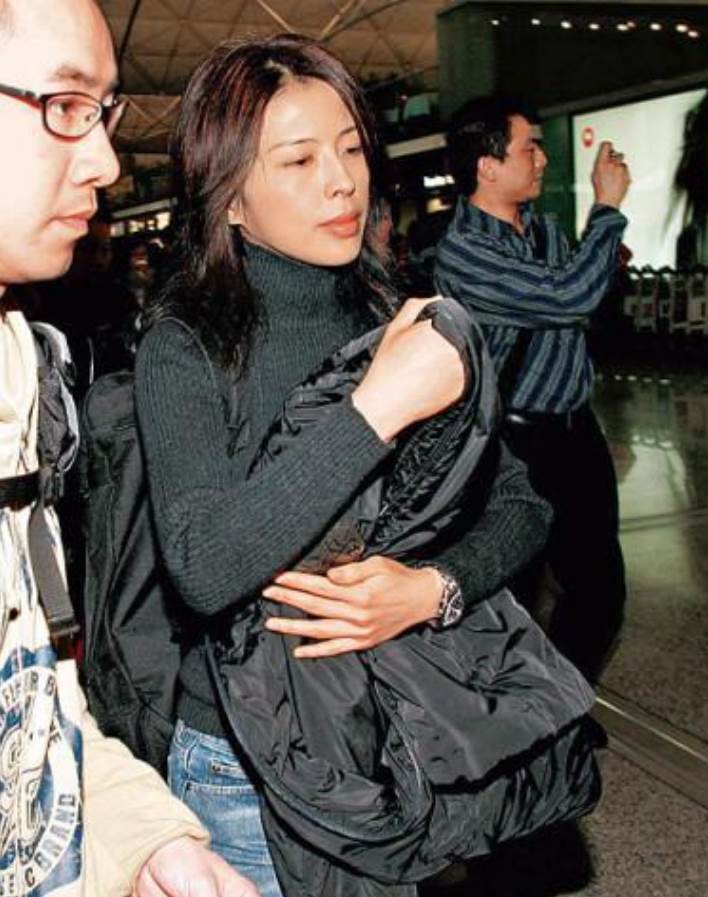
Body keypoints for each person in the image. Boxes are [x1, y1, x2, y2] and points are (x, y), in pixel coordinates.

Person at [134, 37, 552, 895]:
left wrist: (431, 588)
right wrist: (375, 409)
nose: (341, 182)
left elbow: (520, 502)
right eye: (298, 160)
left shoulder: (394, 314)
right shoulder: (187, 344)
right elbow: (203, 564)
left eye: (352, 149)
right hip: (243, 772)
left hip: (388, 737)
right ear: (230, 197)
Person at [0, 1, 261, 895]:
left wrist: (146, 841)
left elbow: (32, 696)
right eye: (64, 104)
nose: (107, 162)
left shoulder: (18, 362)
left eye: (102, 112)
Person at [434, 95, 632, 683]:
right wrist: (606, 210)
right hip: (514, 446)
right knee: (513, 593)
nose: (542, 159)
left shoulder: (545, 232)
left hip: (576, 432)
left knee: (598, 587)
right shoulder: (464, 251)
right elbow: (567, 298)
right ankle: (515, 711)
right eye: (531, 147)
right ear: (487, 166)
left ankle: (564, 704)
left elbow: (580, 298)